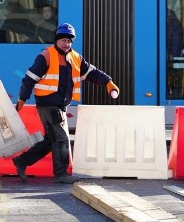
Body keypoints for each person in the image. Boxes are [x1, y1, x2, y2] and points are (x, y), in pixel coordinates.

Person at [10, 23, 119, 183]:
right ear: (57, 40)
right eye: (63, 40)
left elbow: (92, 73)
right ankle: (60, 174)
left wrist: (108, 83)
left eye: (69, 41)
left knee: (52, 140)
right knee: (61, 139)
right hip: (47, 104)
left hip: (60, 106)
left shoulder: (75, 57)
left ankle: (23, 161)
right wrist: (22, 99)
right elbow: (29, 80)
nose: (66, 44)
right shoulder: (46, 56)